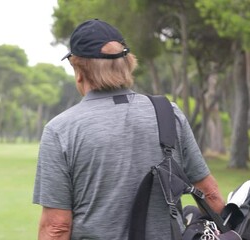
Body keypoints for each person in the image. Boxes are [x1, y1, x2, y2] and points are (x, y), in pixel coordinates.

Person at [32, 19, 225, 240]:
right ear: (127, 64)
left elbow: (56, 228)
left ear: (79, 71)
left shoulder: (60, 130)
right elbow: (210, 195)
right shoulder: (167, 113)